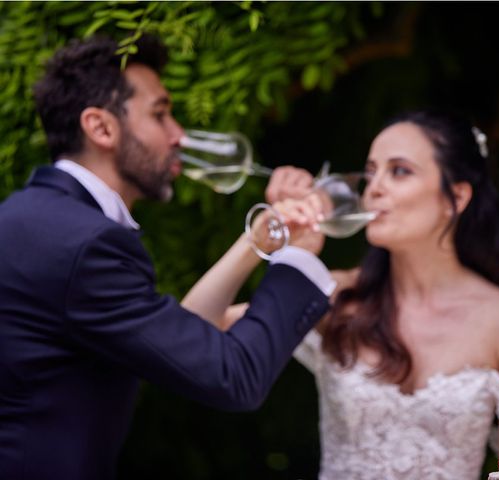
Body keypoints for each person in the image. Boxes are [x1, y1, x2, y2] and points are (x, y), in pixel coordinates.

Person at [0, 35, 333, 480]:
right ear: (101, 128)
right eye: (160, 114)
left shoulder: (35, 219)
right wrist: (301, 255)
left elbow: (182, 343)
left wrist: (263, 239)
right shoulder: (86, 245)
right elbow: (233, 375)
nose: (178, 135)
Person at [224, 110, 499, 479]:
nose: (373, 188)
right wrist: (266, 234)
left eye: (399, 171)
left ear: (455, 196)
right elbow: (190, 336)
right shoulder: (336, 296)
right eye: (371, 172)